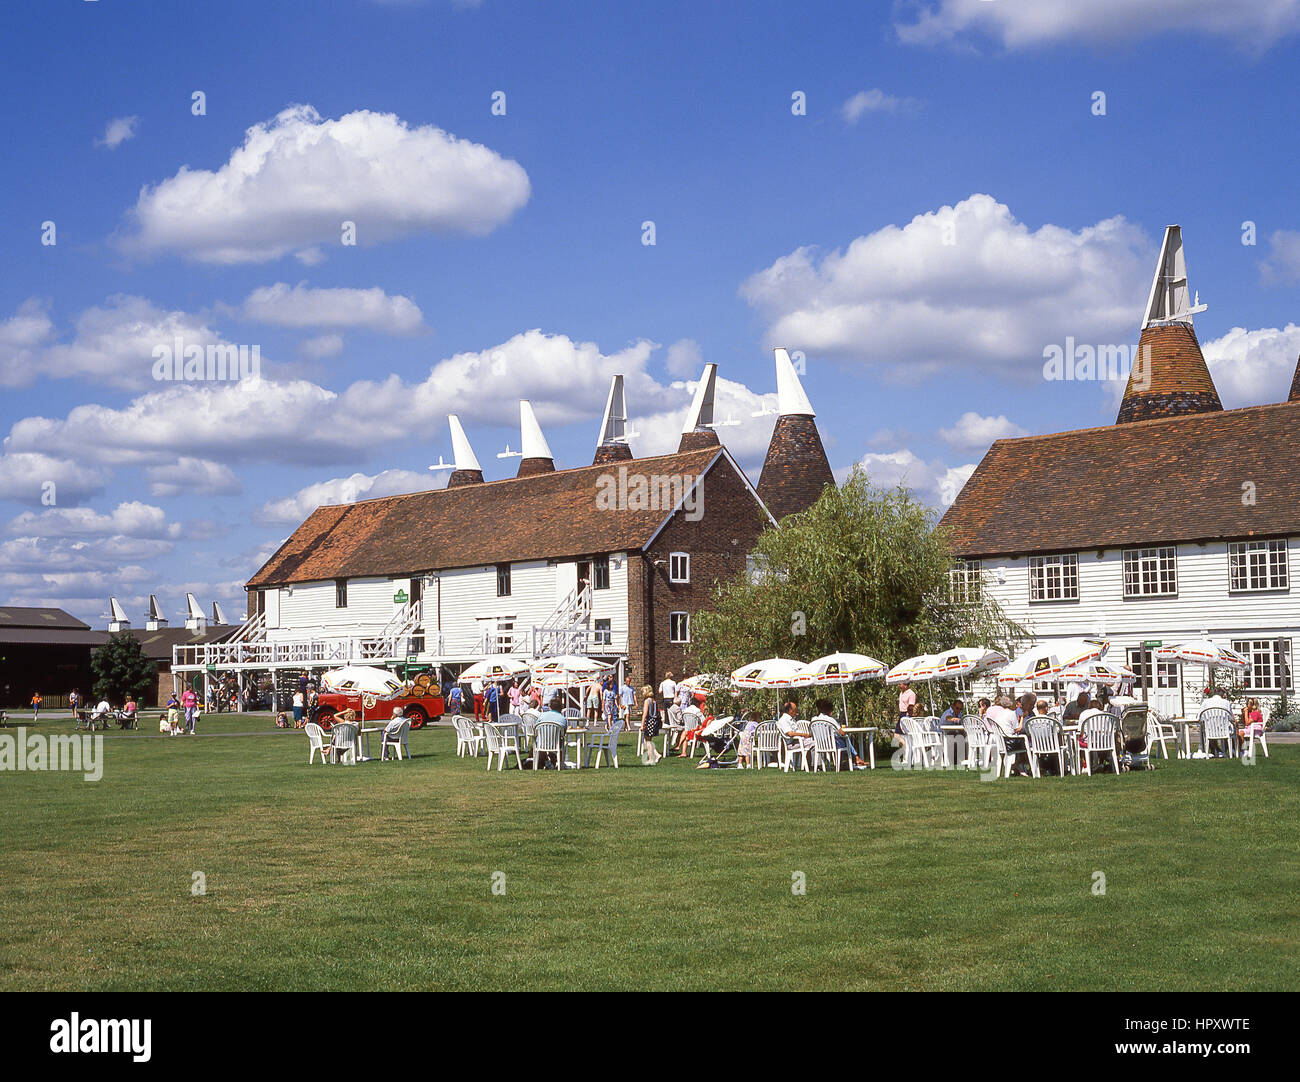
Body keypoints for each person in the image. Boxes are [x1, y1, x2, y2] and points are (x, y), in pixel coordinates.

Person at [810, 698, 868, 769]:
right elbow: (842, 732)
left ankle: (852, 760)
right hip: (832, 744)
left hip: (820, 745)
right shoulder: (830, 719)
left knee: (842, 740)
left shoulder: (813, 719)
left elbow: (812, 734)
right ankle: (855, 758)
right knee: (846, 738)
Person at [776, 701, 813, 769]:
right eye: (795, 709)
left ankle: (811, 765)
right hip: (792, 743)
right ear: (790, 710)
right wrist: (804, 735)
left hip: (799, 741)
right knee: (816, 743)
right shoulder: (784, 720)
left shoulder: (791, 719)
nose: (796, 711)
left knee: (816, 741)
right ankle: (815, 766)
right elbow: (790, 733)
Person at [536, 697, 569, 769]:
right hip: (556, 742)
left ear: (550, 707)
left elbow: (536, 729)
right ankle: (560, 763)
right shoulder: (562, 719)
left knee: (538, 741)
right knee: (563, 741)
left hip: (542, 742)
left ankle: (547, 762)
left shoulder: (542, 716)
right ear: (560, 707)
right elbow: (563, 733)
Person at [640, 685, 662, 764]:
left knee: (647, 741)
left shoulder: (647, 701)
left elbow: (645, 713)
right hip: (655, 721)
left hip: (649, 721)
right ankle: (655, 755)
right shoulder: (654, 701)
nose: (642, 693)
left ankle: (652, 758)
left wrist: (642, 724)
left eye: (643, 691)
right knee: (648, 740)